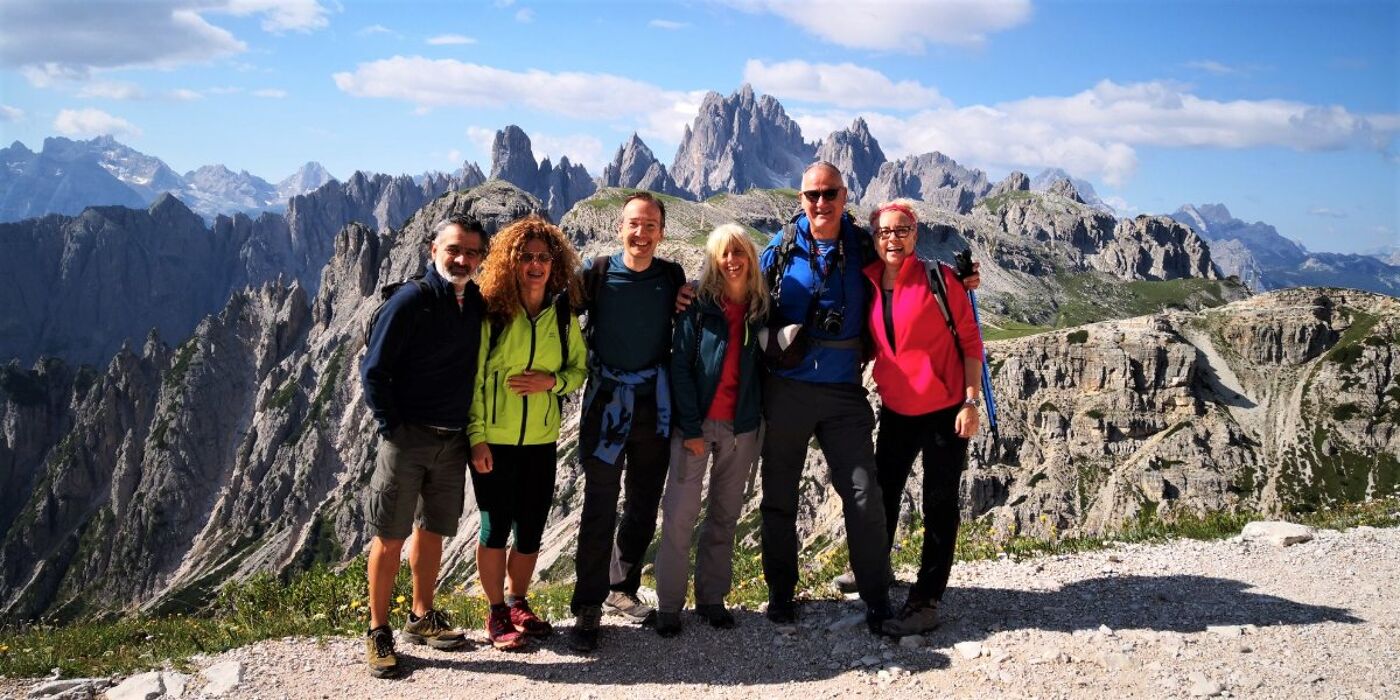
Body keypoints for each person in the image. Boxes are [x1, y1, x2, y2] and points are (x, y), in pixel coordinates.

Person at [757, 161, 893, 634]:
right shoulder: (780, 247)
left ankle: (877, 596)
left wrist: (963, 281)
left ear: (844, 195)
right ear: (800, 199)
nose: (821, 203)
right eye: (812, 195)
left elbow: (907, 276)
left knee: (862, 493)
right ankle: (780, 593)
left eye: (829, 193)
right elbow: (739, 290)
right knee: (779, 494)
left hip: (843, 392)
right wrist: (688, 293)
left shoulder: (863, 245)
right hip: (786, 387)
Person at [359, 215, 486, 678]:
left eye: (471, 252)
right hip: (408, 437)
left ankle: (420, 615)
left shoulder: (475, 302)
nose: (462, 259)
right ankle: (378, 630)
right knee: (390, 535)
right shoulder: (410, 300)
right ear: (433, 250)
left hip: (452, 440)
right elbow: (373, 371)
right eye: (454, 249)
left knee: (432, 530)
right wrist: (393, 427)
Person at [568, 192, 689, 652]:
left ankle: (622, 588)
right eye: (634, 224)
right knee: (599, 503)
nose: (641, 233)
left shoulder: (672, 277)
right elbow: (555, 314)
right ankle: (588, 604)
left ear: (662, 232)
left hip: (653, 405)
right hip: (605, 404)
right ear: (620, 228)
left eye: (650, 225)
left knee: (643, 501)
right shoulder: (596, 274)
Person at [862, 200, 982, 636]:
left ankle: (927, 599)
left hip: (945, 410)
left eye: (902, 230)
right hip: (897, 409)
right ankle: (876, 575)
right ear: (874, 239)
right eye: (884, 232)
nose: (893, 239)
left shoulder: (941, 279)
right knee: (883, 495)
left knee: (939, 503)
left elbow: (971, 342)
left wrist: (970, 402)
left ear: (915, 234)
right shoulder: (868, 280)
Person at [467, 215, 587, 650]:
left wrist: (551, 383)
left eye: (543, 257)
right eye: (526, 257)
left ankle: (519, 602)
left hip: (541, 440)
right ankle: (496, 611)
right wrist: (476, 437)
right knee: (494, 527)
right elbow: (474, 380)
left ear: (554, 264)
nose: (535, 265)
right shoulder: (495, 313)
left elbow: (579, 370)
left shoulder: (562, 316)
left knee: (532, 528)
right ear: (511, 262)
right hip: (495, 440)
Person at [652, 223, 768, 638]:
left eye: (739, 252)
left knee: (725, 515)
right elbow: (680, 366)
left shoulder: (760, 307)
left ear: (750, 257)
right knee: (680, 516)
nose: (732, 261)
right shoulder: (698, 305)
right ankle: (669, 606)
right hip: (696, 426)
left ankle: (711, 599)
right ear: (714, 260)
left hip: (742, 428)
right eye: (724, 253)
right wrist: (690, 427)